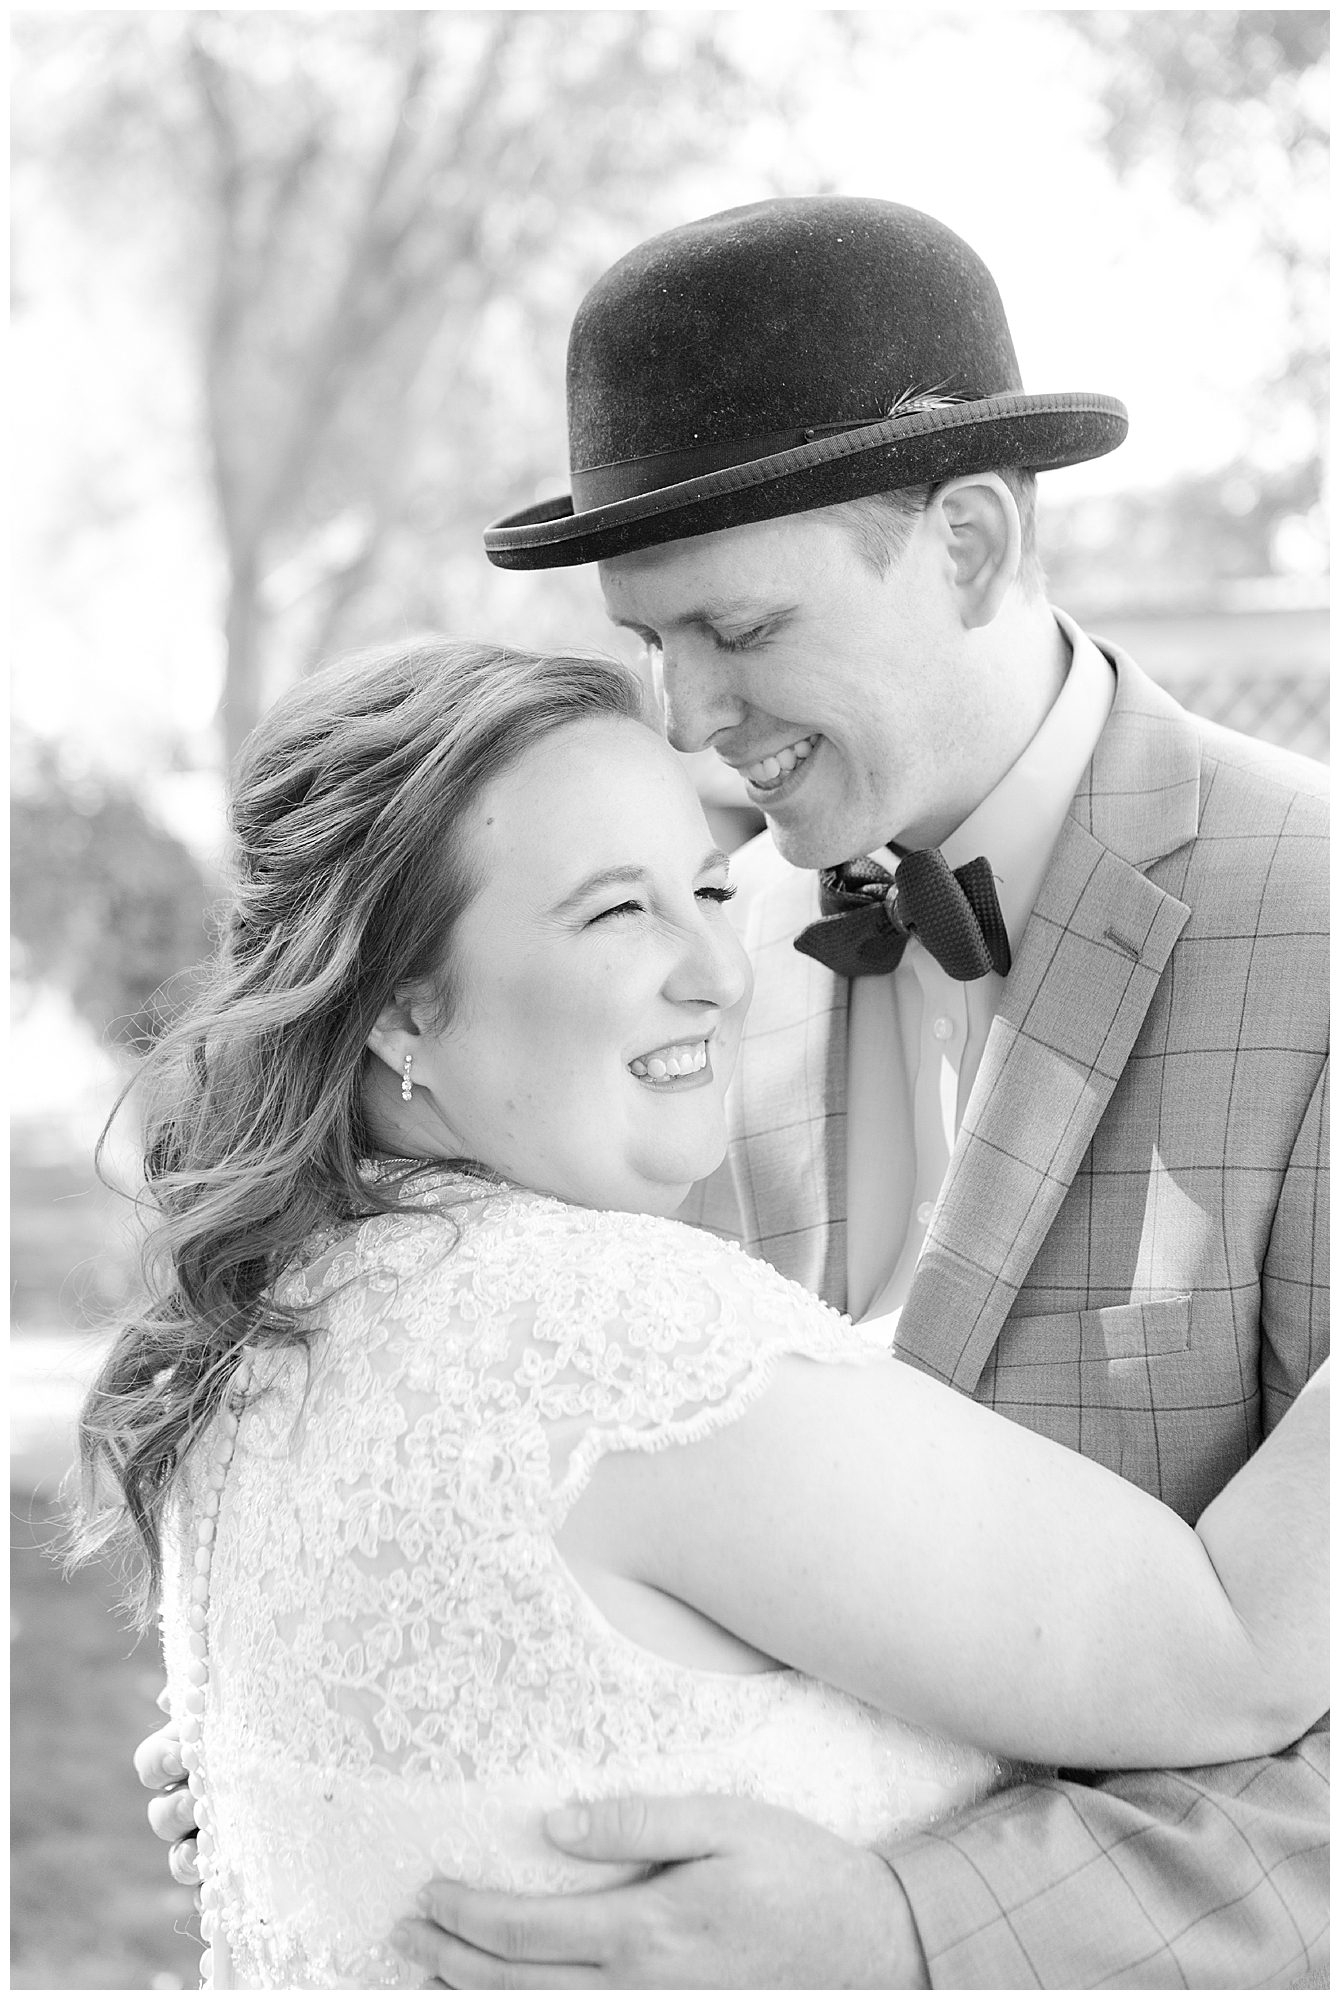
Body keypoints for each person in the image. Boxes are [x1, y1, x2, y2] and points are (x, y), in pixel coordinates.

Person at [98, 639, 1327, 1992]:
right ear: (400, 1007)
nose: (722, 970)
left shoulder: (263, 1331)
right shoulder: (618, 1341)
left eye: (707, 886)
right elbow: (1242, 1652)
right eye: (616, 912)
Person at [418, 196, 1325, 1987]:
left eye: (737, 628)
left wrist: (912, 1931)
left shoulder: (1325, 927)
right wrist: (404, 1756)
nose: (684, 718)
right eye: (649, 640)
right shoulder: (686, 947)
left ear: (972, 544)